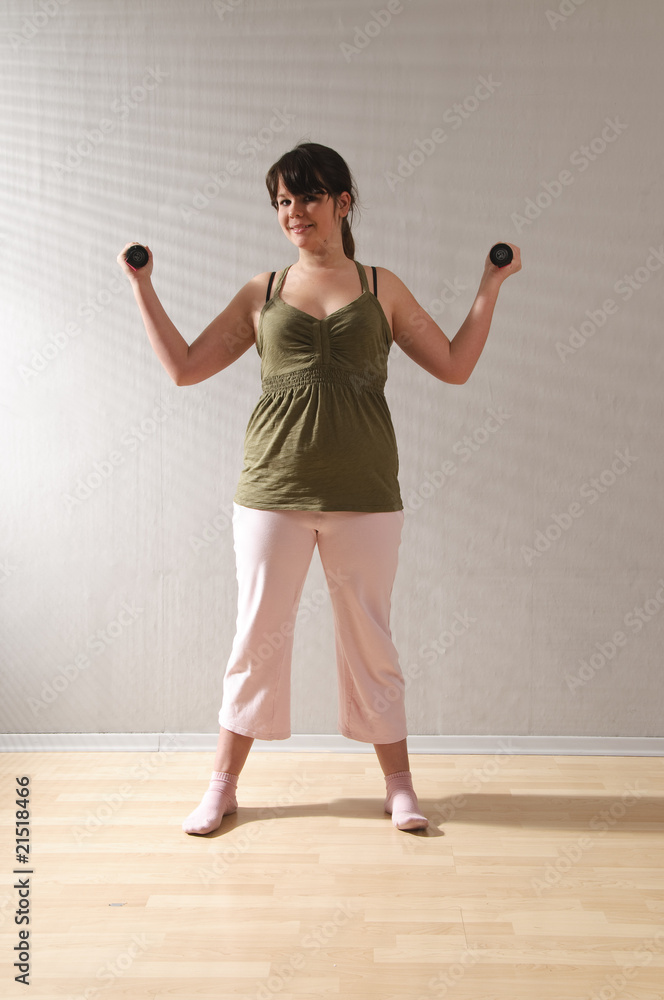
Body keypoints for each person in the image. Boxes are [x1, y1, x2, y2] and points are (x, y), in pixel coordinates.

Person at [117, 141, 521, 836]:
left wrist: (491, 285)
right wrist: (142, 286)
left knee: (372, 641)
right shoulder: (264, 291)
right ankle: (221, 787)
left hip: (365, 492)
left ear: (343, 202)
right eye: (282, 200)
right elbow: (184, 367)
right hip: (272, 490)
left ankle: (399, 787)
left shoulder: (381, 287)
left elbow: (454, 365)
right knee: (256, 637)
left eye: (307, 196)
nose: (294, 211)